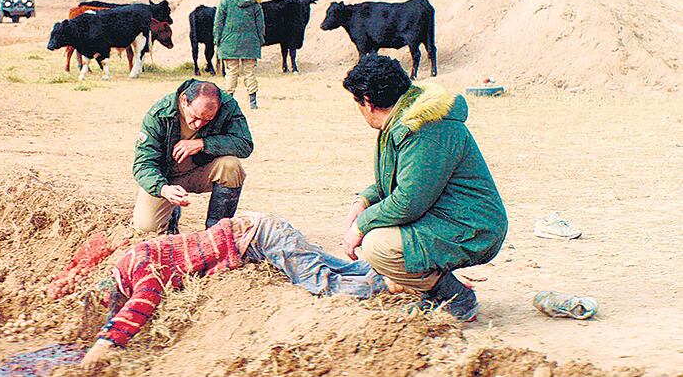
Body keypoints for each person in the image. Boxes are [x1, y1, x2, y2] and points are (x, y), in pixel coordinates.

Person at [81, 213, 386, 366]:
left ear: (122, 289)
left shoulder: (141, 267)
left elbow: (144, 302)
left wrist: (109, 342)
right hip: (261, 230)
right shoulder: (132, 258)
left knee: (322, 283)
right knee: (334, 267)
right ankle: (396, 273)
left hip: (262, 236)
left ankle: (388, 285)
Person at [339, 55, 508, 321]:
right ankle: (437, 291)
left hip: (472, 226)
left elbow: (408, 201)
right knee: (383, 236)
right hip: (448, 216)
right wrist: (363, 200)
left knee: (378, 246)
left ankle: (456, 298)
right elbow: (404, 179)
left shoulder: (424, 129)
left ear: (369, 104)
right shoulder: (406, 118)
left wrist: (360, 227)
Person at [133, 79, 253, 234]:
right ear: (184, 101)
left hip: (201, 172)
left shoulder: (227, 106)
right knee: (146, 227)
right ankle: (171, 217)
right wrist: (163, 189)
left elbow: (245, 145)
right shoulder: (159, 114)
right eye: (195, 117)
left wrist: (203, 143)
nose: (198, 124)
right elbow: (143, 164)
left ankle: (217, 232)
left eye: (207, 120)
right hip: (166, 178)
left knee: (231, 165)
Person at [214, 0, 264, 110]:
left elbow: (218, 22)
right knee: (250, 72)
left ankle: (229, 101)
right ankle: (253, 102)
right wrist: (260, 40)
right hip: (250, 42)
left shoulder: (225, 1)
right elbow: (260, 24)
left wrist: (217, 39)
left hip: (229, 42)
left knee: (231, 72)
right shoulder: (254, 2)